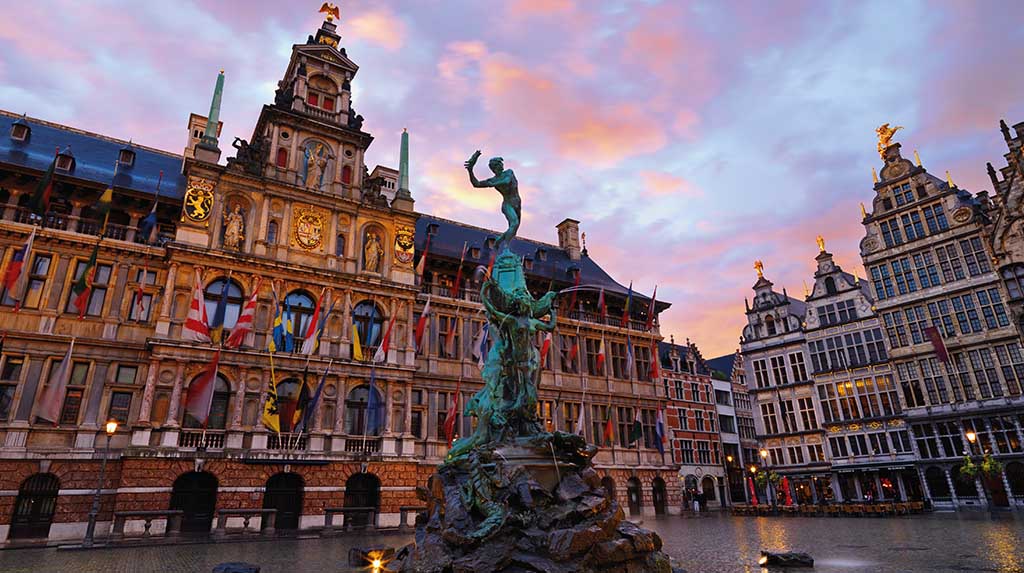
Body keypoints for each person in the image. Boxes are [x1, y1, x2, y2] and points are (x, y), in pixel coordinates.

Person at [465, 151, 520, 249]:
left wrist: (492, 184)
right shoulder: (493, 180)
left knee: (514, 229)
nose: (501, 167)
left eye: (501, 165)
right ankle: (506, 248)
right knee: (514, 223)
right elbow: (476, 184)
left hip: (517, 203)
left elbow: (507, 181)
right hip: (507, 204)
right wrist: (470, 170)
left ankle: (499, 240)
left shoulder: (509, 172)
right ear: (494, 168)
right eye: (498, 166)